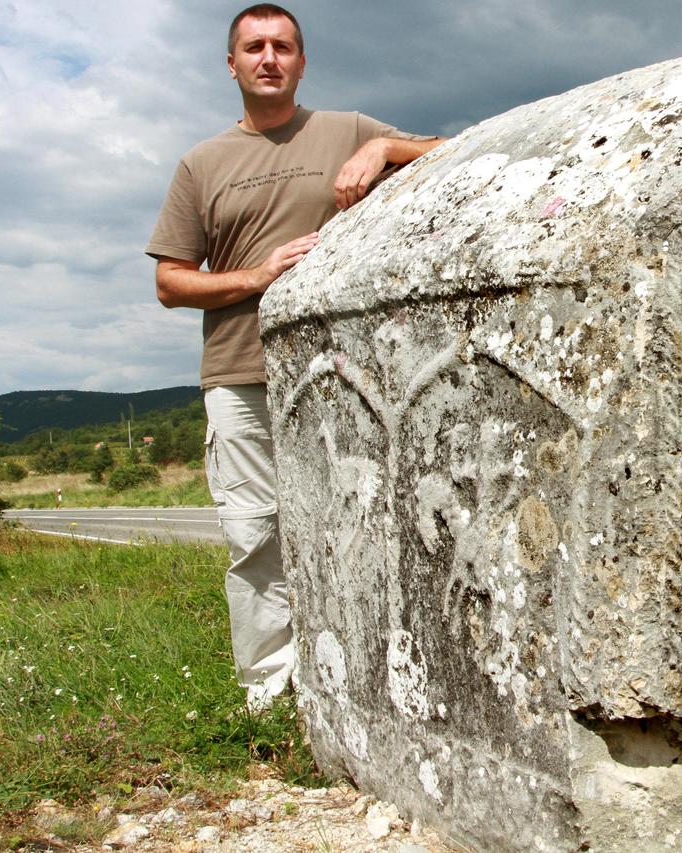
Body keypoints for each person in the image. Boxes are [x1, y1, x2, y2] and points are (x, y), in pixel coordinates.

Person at [146, 3, 444, 709]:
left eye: (283, 46)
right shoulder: (203, 163)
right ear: (232, 64)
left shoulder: (345, 129)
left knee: (357, 522)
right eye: (254, 47)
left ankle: (362, 684)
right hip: (240, 371)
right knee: (255, 536)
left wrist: (385, 150)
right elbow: (169, 281)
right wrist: (254, 276)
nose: (269, 57)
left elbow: (449, 149)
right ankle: (272, 696)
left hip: (343, 374)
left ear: (302, 62)